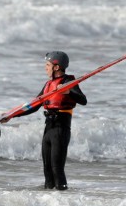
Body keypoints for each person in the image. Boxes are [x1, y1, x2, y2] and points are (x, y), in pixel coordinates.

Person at [6, 51, 87, 190]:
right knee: (47, 170)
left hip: (61, 127)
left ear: (56, 67)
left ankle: (64, 201)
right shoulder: (48, 85)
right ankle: (49, 202)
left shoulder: (69, 82)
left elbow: (83, 100)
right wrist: (11, 115)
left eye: (48, 64)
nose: (45, 67)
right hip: (49, 127)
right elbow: (33, 105)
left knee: (57, 169)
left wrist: (69, 92)